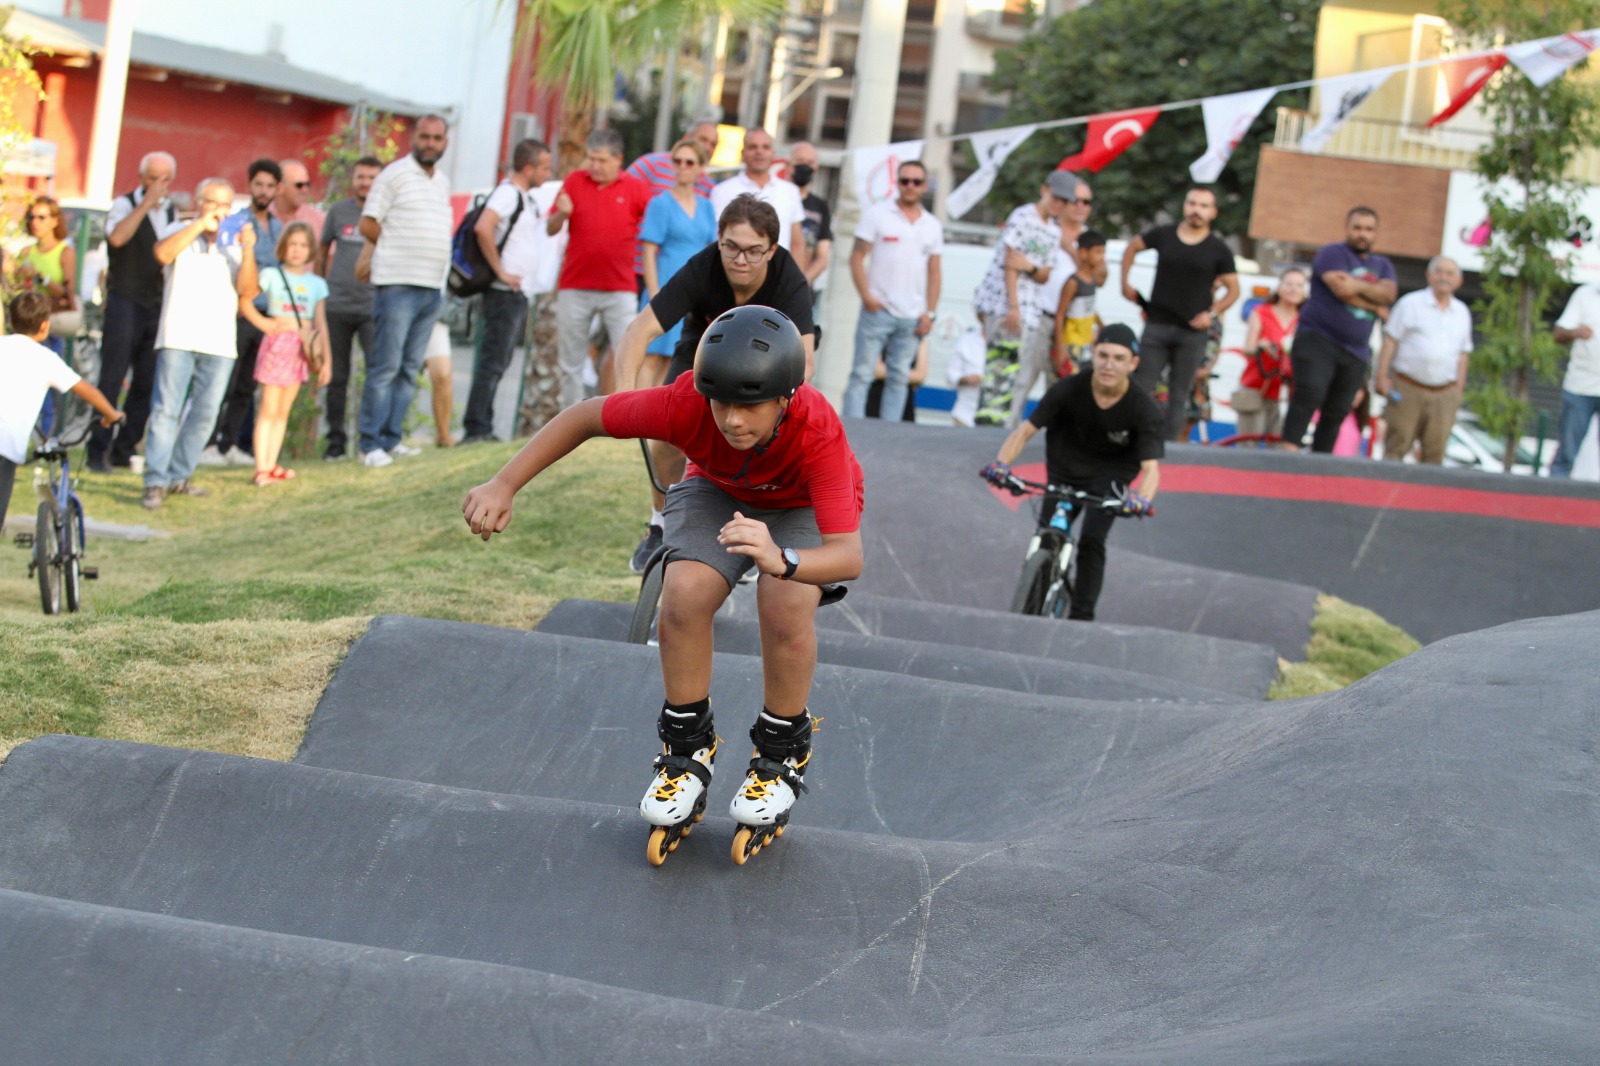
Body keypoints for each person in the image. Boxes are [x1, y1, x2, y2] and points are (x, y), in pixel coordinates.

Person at [462, 303, 863, 858]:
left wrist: (782, 559)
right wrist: (503, 484)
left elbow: (848, 556)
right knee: (682, 597)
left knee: (784, 604)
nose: (732, 421)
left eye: (750, 406)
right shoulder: (685, 405)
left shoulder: (817, 429)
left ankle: (780, 753)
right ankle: (687, 751)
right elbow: (585, 416)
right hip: (718, 488)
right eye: (720, 403)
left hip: (799, 507)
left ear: (786, 397)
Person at [615, 194, 817, 574]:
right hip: (701, 352)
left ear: (772, 249)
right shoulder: (703, 266)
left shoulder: (788, 277)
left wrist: (778, 411)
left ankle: (759, 529)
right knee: (669, 437)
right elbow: (638, 331)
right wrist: (625, 396)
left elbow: (805, 358)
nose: (740, 260)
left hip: (766, 365)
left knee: (761, 438)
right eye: (731, 248)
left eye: (754, 251)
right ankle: (659, 526)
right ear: (718, 240)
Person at [983, 323, 1161, 622]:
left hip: (1110, 477)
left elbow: (1151, 468)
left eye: (1119, 358)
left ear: (1133, 364)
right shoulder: (1067, 389)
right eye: (1103, 355)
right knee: (1048, 534)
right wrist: (1001, 465)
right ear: (1093, 354)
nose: (1108, 364)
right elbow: (1024, 432)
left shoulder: (1142, 408)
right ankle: (1033, 597)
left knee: (1092, 538)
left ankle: (1081, 618)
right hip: (1065, 469)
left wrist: (1141, 499)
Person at [141, 179, 264, 510]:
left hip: (220, 340)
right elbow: (161, 254)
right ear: (199, 202)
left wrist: (249, 248)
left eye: (227, 205)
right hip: (178, 335)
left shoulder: (234, 243)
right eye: (213, 203)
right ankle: (155, 479)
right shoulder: (179, 227)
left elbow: (248, 291)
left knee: (206, 412)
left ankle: (179, 476)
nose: (221, 211)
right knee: (166, 409)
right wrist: (199, 224)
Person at [358, 114, 454, 467]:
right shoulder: (394, 174)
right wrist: (396, 246)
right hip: (397, 283)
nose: (430, 143)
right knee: (386, 366)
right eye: (425, 137)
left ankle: (391, 438)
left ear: (445, 142)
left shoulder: (442, 181)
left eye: (437, 138)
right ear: (414, 138)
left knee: (410, 367)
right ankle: (369, 445)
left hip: (431, 287)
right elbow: (368, 222)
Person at [1120, 186, 1239, 443]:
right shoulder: (1164, 235)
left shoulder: (1218, 249)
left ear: (1213, 212)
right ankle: (1128, 438)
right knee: (1141, 384)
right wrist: (1125, 283)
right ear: (1185, 205)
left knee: (1179, 393)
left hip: (1192, 331)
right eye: (1192, 203)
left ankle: (1169, 448)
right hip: (1157, 324)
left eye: (1204, 206)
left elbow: (1233, 290)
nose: (1196, 210)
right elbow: (1132, 247)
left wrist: (1212, 314)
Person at [546, 128, 654, 411]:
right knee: (570, 362)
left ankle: (626, 416)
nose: (595, 165)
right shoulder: (574, 181)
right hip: (575, 285)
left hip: (620, 288)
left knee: (628, 353)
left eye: (602, 160)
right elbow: (549, 227)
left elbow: (655, 226)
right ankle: (569, 421)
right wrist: (562, 213)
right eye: (591, 158)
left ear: (618, 159)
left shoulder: (635, 188)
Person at [1, 292, 123, 532]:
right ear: (45, 326)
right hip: (4, 447)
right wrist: (111, 414)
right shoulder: (45, 359)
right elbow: (85, 389)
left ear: (10, 320)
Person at [1280, 207, 1397, 453]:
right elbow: (1341, 290)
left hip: (1356, 351)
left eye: (1368, 229)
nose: (1362, 234)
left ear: (1376, 233)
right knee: (1310, 393)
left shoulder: (1383, 265)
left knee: (1338, 410)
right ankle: (1287, 456)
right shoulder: (1332, 253)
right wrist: (1374, 307)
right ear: (1347, 228)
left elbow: (1388, 293)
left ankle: (1320, 466)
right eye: (1357, 228)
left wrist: (1355, 285)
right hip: (1318, 339)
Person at [88, 150, 177, 474]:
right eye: (152, 178)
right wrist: (145, 203)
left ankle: (124, 448)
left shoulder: (173, 212)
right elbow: (118, 237)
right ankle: (97, 450)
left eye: (164, 179)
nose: (158, 185)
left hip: (156, 305)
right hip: (125, 301)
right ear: (142, 178)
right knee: (111, 377)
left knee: (147, 381)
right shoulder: (125, 204)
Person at [462, 138, 553, 444]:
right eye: (543, 167)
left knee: (499, 360)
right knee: (492, 360)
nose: (547, 173)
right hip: (503, 291)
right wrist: (500, 270)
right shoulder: (507, 194)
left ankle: (482, 424)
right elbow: (483, 227)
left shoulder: (525, 198)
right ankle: (477, 427)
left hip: (516, 292)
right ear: (527, 168)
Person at [842, 159, 943, 420]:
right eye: (905, 180)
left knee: (899, 377)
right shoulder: (878, 214)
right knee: (861, 374)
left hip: (912, 314)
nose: (910, 186)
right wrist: (866, 296)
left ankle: (889, 436)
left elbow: (934, 271)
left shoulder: (932, 225)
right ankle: (851, 430)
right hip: (878, 309)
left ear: (925, 185)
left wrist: (930, 313)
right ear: (897, 183)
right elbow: (856, 256)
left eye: (916, 181)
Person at [972, 170, 1074, 418]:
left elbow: (1043, 274)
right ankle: (989, 426)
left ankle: (1007, 431)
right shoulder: (1023, 216)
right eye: (1056, 198)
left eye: (1064, 201)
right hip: (1005, 305)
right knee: (1000, 372)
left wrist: (1028, 265)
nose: (1058, 205)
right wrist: (1013, 306)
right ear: (1044, 190)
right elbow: (1010, 263)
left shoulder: (1053, 231)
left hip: (1031, 310)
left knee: (1019, 376)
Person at [203, 158, 284, 467]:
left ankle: (229, 443)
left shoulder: (278, 227)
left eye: (269, 185)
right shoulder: (236, 220)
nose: (263, 191)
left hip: (268, 316)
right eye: (258, 184)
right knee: (223, 380)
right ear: (250, 186)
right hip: (239, 311)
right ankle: (208, 443)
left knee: (246, 386)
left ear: (277, 189)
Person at [240, 221, 329, 486]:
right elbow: (245, 299)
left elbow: (321, 324)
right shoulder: (271, 275)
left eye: (303, 245)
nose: (297, 251)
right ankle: (261, 467)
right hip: (278, 344)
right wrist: (265, 323)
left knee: (282, 410)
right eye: (292, 244)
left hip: (302, 348)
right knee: (268, 407)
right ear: (283, 247)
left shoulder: (317, 284)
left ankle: (271, 462)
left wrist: (326, 361)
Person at [1374, 257, 1472, 465]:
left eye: (1450, 273)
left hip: (1444, 393)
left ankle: (1429, 498)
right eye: (1439, 271)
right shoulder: (1410, 303)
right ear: (1429, 275)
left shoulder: (1462, 312)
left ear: (1459, 280)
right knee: (1396, 446)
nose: (1443, 277)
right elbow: (1390, 340)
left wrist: (1458, 390)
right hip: (1407, 387)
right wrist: (1381, 376)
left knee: (1435, 453)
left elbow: (1464, 353)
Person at [317, 155, 382, 460]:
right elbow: (321, 248)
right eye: (361, 176)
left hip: (372, 306)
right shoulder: (339, 211)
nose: (365, 182)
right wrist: (318, 288)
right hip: (337, 305)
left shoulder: (385, 213)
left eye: (371, 177)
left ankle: (369, 443)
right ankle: (335, 445)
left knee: (375, 374)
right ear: (353, 180)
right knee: (337, 377)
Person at [626, 120, 718, 287]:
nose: (707, 146)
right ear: (686, 138)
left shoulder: (708, 189)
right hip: (645, 271)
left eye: (713, 144)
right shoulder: (651, 164)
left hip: (692, 281)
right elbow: (622, 195)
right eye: (703, 139)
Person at [710, 128, 807, 262]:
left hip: (780, 274)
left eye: (765, 147)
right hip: (736, 270)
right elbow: (717, 239)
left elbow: (797, 244)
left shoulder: (790, 191)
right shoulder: (722, 190)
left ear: (773, 153)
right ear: (743, 153)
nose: (759, 152)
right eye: (753, 147)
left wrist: (798, 281)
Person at [1232, 267, 1307, 439]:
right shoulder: (1261, 312)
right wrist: (1261, 345)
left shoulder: (1304, 320)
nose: (1293, 289)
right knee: (1249, 441)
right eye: (1289, 284)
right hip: (1256, 387)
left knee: (1278, 444)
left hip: (1285, 391)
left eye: (1299, 285)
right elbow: (1248, 349)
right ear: (1279, 287)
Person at [14, 196, 78, 357]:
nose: (35, 222)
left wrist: (39, 277)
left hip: (50, 325)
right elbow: (17, 289)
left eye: (42, 217)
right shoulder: (26, 252)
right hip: (26, 326)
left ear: (55, 221)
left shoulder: (65, 252)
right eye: (31, 217)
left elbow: (66, 292)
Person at [1551, 279, 1600, 478]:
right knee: (1567, 455)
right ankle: (1553, 501)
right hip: (1580, 386)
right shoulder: (1585, 294)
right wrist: (1575, 332)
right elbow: (1558, 334)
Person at [1051, 229, 1107, 378]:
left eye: (1103, 252)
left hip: (1086, 343)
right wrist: (1060, 348)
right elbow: (1060, 314)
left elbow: (1088, 308)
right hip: (1070, 343)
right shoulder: (1073, 282)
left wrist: (1103, 327)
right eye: (1098, 252)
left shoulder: (1093, 279)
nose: (1102, 257)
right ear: (1083, 253)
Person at [787, 141, 832, 298]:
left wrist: (802, 281)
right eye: (800, 161)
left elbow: (822, 255)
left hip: (803, 292)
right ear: (788, 164)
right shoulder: (779, 199)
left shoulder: (821, 206)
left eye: (810, 162)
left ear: (816, 168)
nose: (805, 166)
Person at [275, 159, 325, 236]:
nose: (305, 190)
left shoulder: (319, 221)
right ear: (280, 187)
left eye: (307, 184)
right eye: (299, 185)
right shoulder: (262, 217)